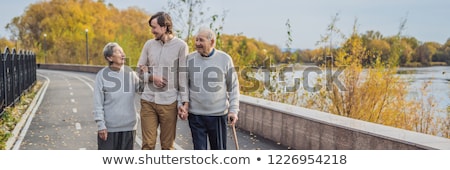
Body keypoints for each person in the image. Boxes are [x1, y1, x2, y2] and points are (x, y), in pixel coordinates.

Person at [136, 11, 189, 150]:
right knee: (147, 144)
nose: (152, 31)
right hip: (148, 100)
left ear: (165, 27)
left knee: (167, 146)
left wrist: (185, 102)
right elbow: (139, 71)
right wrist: (152, 77)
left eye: (154, 27)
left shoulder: (181, 46)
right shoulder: (149, 45)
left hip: (169, 102)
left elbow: (182, 76)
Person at [184, 27, 240, 150]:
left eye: (201, 40)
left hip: (218, 115)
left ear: (212, 42)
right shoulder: (189, 59)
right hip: (196, 115)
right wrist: (182, 104)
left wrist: (233, 110)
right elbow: (183, 85)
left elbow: (234, 86)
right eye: (196, 40)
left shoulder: (225, 59)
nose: (197, 43)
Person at [92, 42, 146, 150]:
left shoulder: (129, 72)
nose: (123, 54)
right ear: (110, 57)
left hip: (129, 127)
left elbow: (141, 90)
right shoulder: (102, 76)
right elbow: (98, 103)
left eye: (122, 51)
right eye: (119, 52)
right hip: (109, 129)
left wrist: (144, 76)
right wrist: (101, 125)